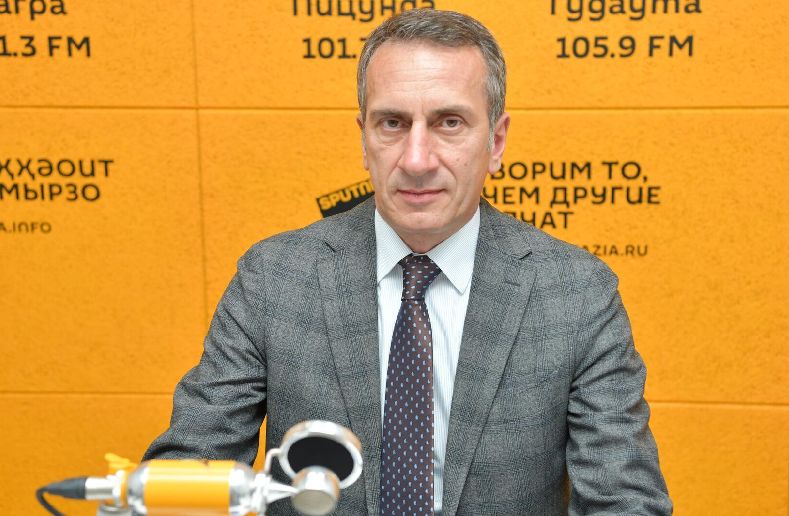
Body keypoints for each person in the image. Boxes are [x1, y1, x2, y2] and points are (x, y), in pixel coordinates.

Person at [145, 8, 672, 515]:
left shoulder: (578, 295)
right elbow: (187, 472)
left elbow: (625, 502)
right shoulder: (273, 279)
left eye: (449, 123)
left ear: (496, 141)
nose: (417, 160)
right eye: (393, 123)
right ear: (364, 139)